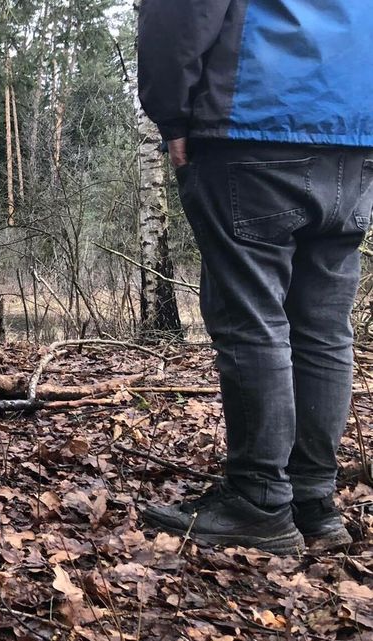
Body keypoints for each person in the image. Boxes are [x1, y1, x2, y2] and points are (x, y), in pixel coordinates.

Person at [137, 0, 373, 554]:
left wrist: (172, 115)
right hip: (356, 132)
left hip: (255, 118)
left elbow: (181, 12)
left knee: (251, 318)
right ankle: (311, 500)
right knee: (322, 327)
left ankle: (259, 499)